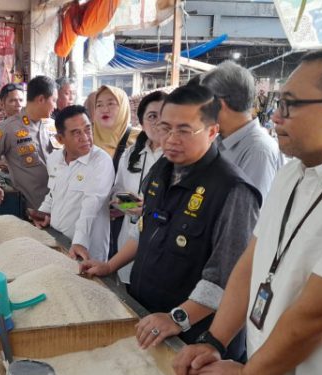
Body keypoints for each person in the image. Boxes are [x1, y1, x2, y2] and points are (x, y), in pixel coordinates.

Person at [172, 47, 322, 375]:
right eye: (278, 103)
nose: (276, 116)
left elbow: (315, 318)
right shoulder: (294, 172)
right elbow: (251, 262)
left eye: (290, 105)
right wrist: (214, 341)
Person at [81, 84, 261, 361]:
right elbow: (146, 230)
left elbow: (228, 275)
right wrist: (110, 265)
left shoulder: (232, 189)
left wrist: (178, 318)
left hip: (195, 336)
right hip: (149, 318)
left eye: (184, 130)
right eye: (165, 128)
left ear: (212, 132)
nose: (171, 139)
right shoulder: (160, 170)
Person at [31, 105, 114, 262]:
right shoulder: (54, 159)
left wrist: (79, 242)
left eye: (87, 129)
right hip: (56, 243)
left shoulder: (101, 161)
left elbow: (92, 203)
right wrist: (43, 212)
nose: (85, 137)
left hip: (85, 251)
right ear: (60, 139)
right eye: (76, 133)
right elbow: (53, 193)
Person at [200, 61, 283, 198]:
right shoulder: (219, 141)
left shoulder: (258, 150)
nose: (200, 110)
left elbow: (248, 212)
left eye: (203, 102)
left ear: (220, 104)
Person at [109, 91, 166, 281]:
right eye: (152, 116)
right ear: (142, 122)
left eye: (164, 115)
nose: (159, 121)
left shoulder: (179, 156)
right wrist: (128, 205)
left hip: (162, 247)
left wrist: (151, 210)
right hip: (127, 244)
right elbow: (116, 191)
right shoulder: (131, 153)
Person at [0, 76, 57, 210]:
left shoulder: (52, 124)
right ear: (41, 100)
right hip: (34, 209)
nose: (56, 106)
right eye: (54, 100)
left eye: (20, 99)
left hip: (61, 203)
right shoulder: (7, 128)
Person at [92, 85, 139, 172]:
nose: (105, 109)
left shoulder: (139, 138)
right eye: (99, 105)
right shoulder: (87, 139)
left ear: (123, 107)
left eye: (111, 103)